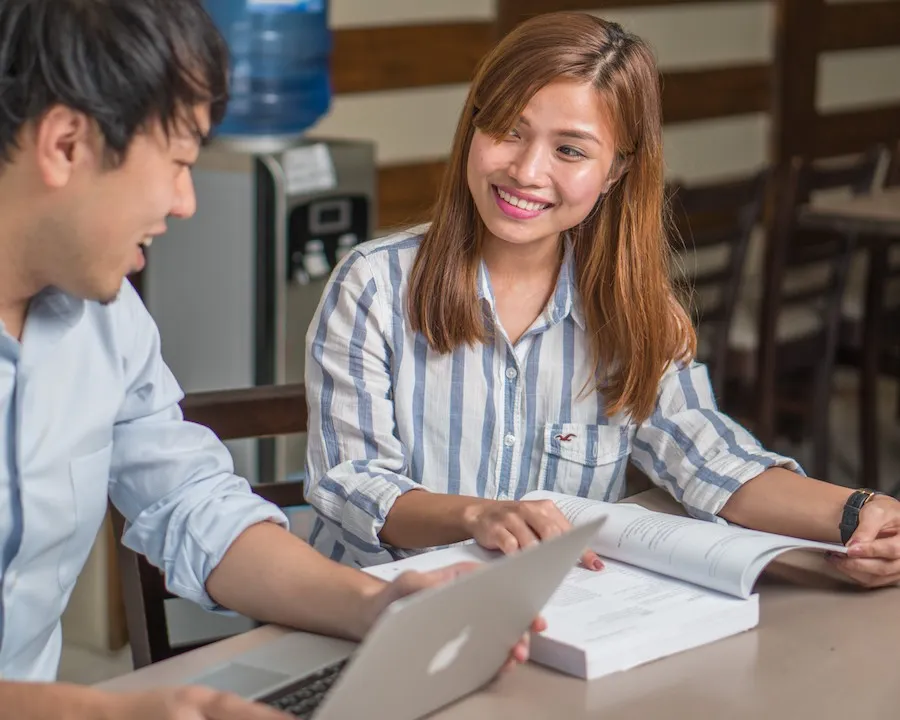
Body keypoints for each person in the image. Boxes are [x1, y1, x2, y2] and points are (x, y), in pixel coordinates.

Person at [0, 1, 539, 718]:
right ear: (67, 144)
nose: (186, 202)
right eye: (181, 162)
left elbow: (191, 503)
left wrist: (373, 607)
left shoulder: (107, 321)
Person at [305, 11, 900, 590]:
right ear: (473, 129)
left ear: (616, 172)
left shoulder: (632, 308)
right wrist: (477, 516)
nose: (527, 170)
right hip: (376, 611)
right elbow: (352, 483)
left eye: (570, 150)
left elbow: (709, 457)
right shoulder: (375, 284)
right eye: (509, 130)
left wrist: (860, 513)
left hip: (557, 619)